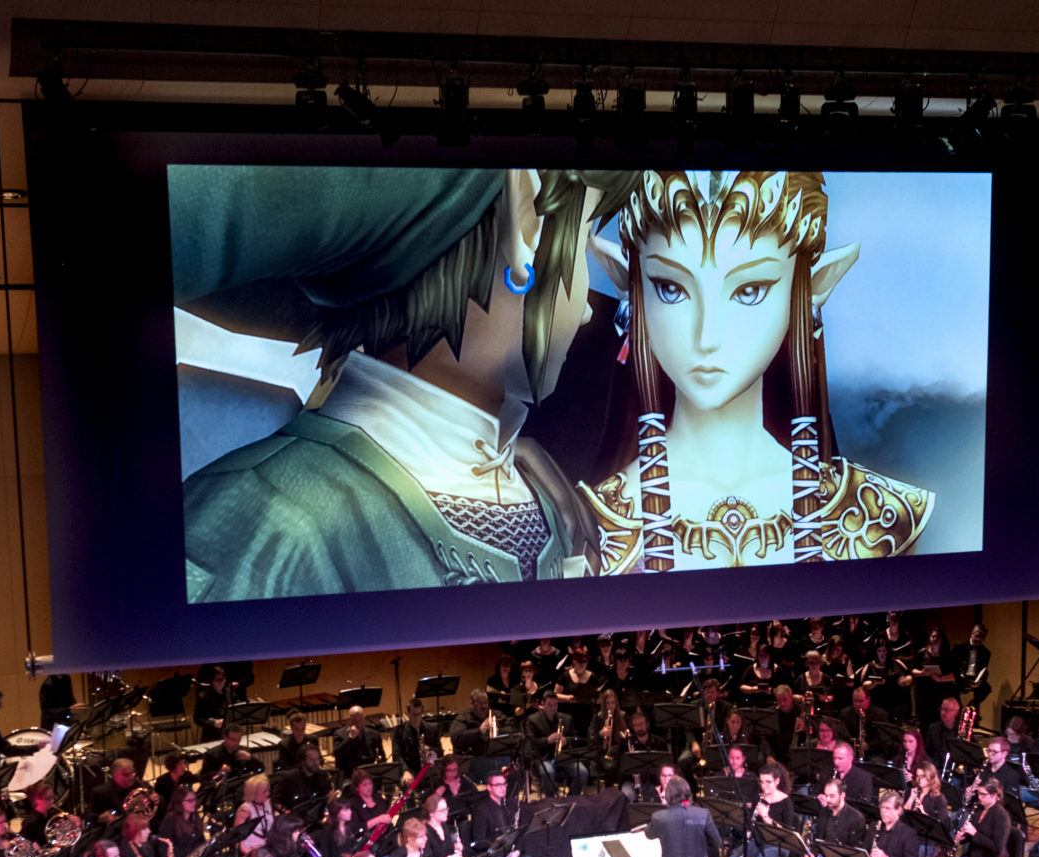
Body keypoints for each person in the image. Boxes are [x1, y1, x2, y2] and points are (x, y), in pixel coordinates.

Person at [180, 168, 637, 600]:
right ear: (524, 226)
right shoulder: (272, 527)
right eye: (582, 246)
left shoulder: (544, 505)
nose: (586, 311)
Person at [580, 170, 934, 573]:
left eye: (749, 291)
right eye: (671, 288)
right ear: (630, 287)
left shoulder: (879, 518)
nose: (707, 336)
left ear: (811, 288)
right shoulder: (585, 525)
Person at [727, 762, 798, 857]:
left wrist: (766, 817)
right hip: (757, 841)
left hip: (778, 845)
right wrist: (748, 830)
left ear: (777, 781)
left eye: (768, 782)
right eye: (762, 782)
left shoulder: (786, 802)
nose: (764, 786)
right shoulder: (758, 797)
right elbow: (751, 823)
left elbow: (787, 832)